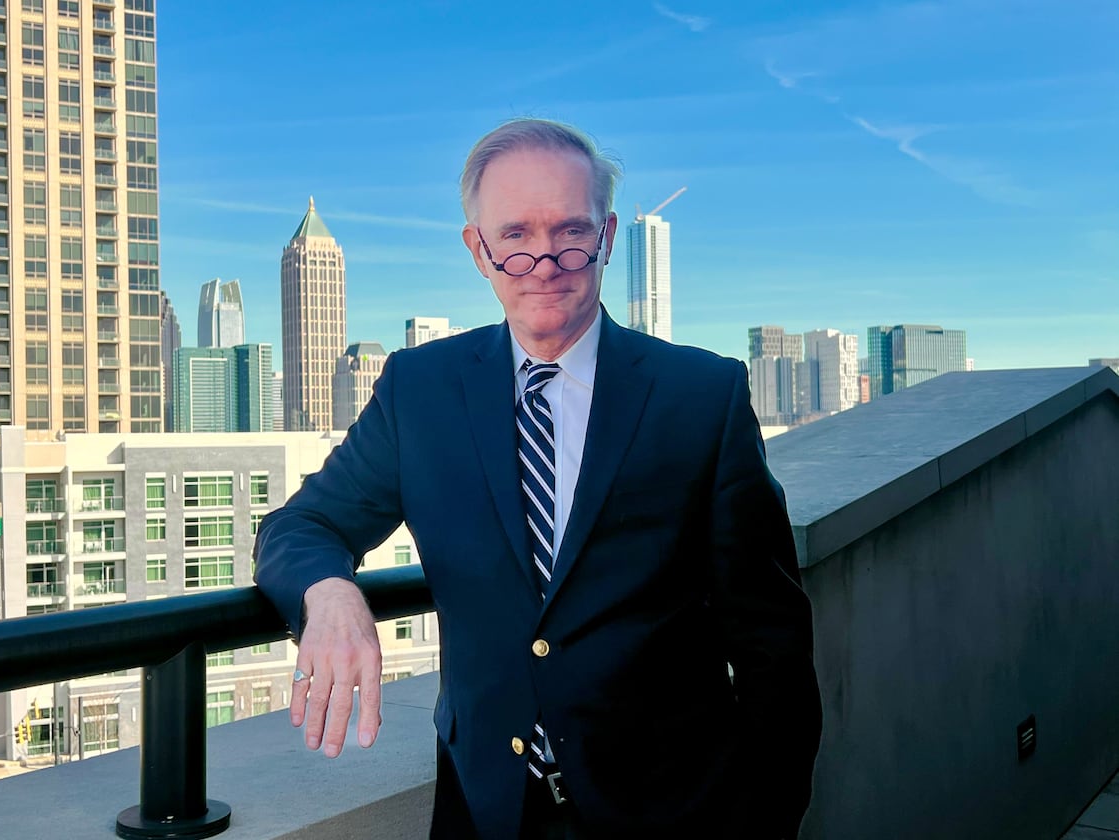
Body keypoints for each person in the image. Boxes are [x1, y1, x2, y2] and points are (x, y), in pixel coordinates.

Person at [254, 117, 822, 839]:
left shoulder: (701, 397)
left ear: (608, 236)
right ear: (478, 249)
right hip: (487, 811)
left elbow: (772, 637)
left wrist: (767, 822)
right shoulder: (420, 390)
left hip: (677, 811)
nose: (545, 259)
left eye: (570, 231)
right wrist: (329, 595)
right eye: (515, 235)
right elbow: (302, 525)